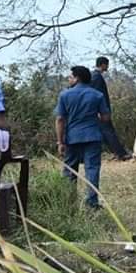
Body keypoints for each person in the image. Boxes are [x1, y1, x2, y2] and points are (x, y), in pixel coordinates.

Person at [54, 66, 111, 209]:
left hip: (72, 138)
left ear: (77, 78)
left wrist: (60, 141)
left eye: (70, 77)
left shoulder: (65, 95)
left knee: (69, 170)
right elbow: (106, 117)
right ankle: (92, 203)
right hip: (92, 137)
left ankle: (68, 203)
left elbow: (60, 119)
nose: (69, 79)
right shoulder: (97, 95)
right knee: (92, 170)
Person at [91, 56, 132, 161]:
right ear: (103, 64)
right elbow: (97, 95)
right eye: (107, 65)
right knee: (109, 132)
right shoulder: (96, 77)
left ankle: (117, 153)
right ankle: (121, 154)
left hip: (100, 111)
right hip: (101, 111)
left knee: (105, 133)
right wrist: (101, 111)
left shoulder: (95, 76)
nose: (108, 67)